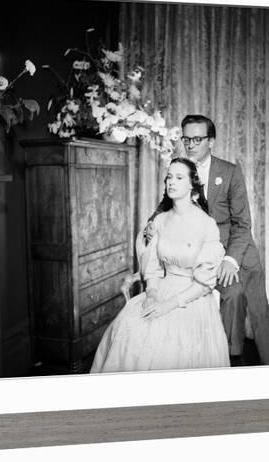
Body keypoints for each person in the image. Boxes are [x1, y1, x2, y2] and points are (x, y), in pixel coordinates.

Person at [90, 158, 230, 373]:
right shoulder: (160, 221)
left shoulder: (206, 224)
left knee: (174, 343)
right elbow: (153, 267)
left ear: (192, 185)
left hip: (193, 296)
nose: (171, 182)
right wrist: (153, 294)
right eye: (169, 177)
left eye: (179, 177)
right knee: (130, 329)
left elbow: (204, 283)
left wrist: (168, 305)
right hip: (162, 287)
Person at [178, 114, 269, 365]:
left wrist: (230, 260)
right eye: (186, 139)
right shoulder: (180, 170)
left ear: (211, 141)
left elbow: (243, 224)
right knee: (232, 296)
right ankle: (229, 359)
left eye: (197, 139)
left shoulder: (229, 172)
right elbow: (167, 205)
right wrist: (153, 224)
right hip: (204, 255)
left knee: (260, 314)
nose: (191, 144)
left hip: (240, 253)